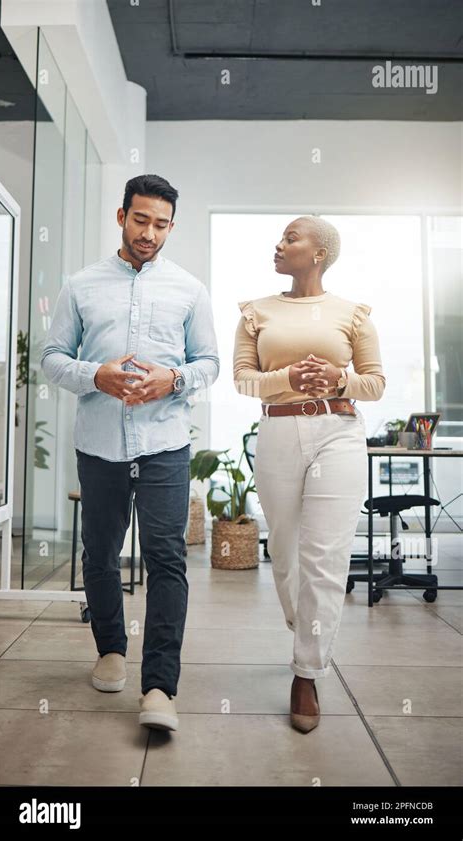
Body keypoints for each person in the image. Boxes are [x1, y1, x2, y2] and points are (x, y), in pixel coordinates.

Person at [41, 174, 219, 732]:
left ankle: (161, 686)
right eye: (140, 220)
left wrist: (173, 380)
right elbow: (51, 356)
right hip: (99, 446)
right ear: (121, 217)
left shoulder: (189, 289)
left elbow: (209, 363)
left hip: (166, 444)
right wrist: (96, 374)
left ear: (171, 226)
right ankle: (110, 649)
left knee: (168, 560)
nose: (149, 233)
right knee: (99, 552)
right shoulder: (81, 285)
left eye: (161, 224)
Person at [233, 216, 386, 734]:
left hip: (338, 431)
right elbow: (243, 381)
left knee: (326, 554)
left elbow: (375, 384)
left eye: (291, 238)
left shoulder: (353, 314)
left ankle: (307, 673)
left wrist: (341, 376)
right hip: (278, 431)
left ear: (318, 253)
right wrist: (288, 377)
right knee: (285, 550)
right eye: (281, 237)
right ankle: (306, 626)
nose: (279, 244)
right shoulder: (256, 312)